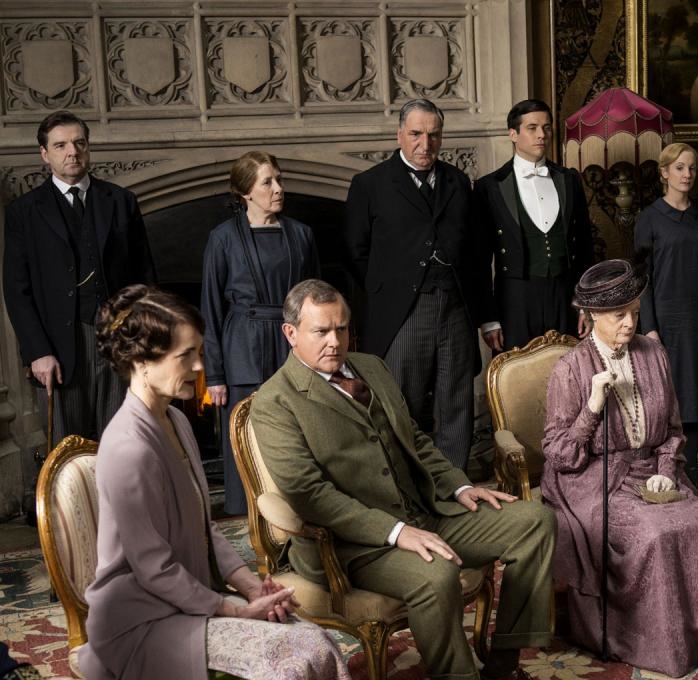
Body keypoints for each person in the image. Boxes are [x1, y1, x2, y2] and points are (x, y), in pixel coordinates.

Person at [250, 278, 555, 680]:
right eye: (320, 331)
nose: (335, 342)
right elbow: (310, 495)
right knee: (436, 575)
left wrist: (459, 486)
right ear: (291, 333)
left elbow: (413, 439)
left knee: (535, 521)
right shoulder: (275, 402)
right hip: (353, 547)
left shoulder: (371, 367)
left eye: (341, 328)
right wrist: (396, 532)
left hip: (425, 511)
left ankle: (504, 660)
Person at [79, 284, 350, 680]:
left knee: (315, 642)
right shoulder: (127, 448)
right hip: (141, 622)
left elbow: (203, 529)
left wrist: (252, 588)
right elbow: (154, 570)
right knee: (288, 664)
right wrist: (235, 610)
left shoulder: (176, 419)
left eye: (200, 354)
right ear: (141, 361)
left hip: (186, 603)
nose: (198, 368)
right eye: (185, 356)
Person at [541, 259, 698, 678]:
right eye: (619, 315)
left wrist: (666, 470)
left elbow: (673, 429)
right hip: (593, 479)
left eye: (635, 312)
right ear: (592, 315)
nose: (630, 323)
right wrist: (591, 408)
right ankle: (641, 639)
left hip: (651, 470)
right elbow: (559, 454)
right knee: (653, 532)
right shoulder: (570, 369)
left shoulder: (654, 354)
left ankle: (688, 639)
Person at [344, 98, 487, 470]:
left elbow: (475, 251)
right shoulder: (370, 184)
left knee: (456, 400)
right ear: (399, 135)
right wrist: (389, 292)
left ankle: (454, 483)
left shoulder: (458, 182)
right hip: (403, 312)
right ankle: (407, 482)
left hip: (455, 306)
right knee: (400, 400)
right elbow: (355, 253)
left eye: (434, 135)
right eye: (416, 134)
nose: (426, 144)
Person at [3, 110, 156, 445]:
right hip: (57, 348)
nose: (72, 151)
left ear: (88, 147)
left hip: (118, 339)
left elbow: (144, 278)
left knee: (123, 445)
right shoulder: (24, 212)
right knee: (68, 450)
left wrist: (142, 339)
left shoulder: (121, 201)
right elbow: (16, 290)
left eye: (79, 143)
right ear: (45, 154)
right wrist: (37, 351)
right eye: (60, 145)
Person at [201, 151, 321, 516]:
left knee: (297, 432)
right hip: (243, 349)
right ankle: (245, 519)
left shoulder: (301, 234)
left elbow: (315, 298)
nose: (278, 188)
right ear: (245, 192)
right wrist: (215, 374)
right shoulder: (222, 238)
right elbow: (210, 307)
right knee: (244, 437)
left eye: (279, 179)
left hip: (292, 344)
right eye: (267, 182)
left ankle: (298, 513)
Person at [636, 142, 698, 492]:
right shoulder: (650, 218)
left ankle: (693, 468)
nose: (687, 174)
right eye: (679, 167)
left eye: (691, 168)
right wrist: (650, 327)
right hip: (666, 320)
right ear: (664, 173)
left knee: (696, 393)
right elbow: (642, 278)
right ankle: (664, 468)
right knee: (668, 397)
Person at [473, 98, 594, 352]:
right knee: (516, 373)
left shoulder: (569, 179)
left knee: (569, 369)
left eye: (546, 127)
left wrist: (586, 304)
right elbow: (479, 260)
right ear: (513, 134)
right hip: (515, 299)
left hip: (565, 294)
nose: (542, 135)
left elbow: (585, 247)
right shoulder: (490, 187)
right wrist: (488, 318)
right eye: (532, 128)